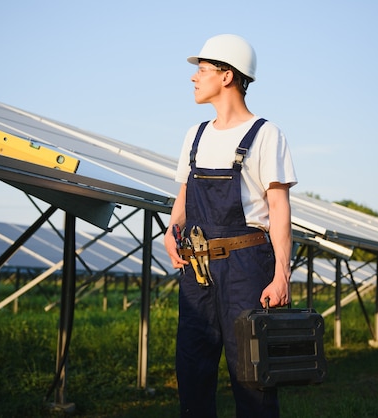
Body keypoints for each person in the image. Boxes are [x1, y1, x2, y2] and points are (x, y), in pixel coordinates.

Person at [164, 34, 298, 418]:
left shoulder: (266, 134)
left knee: (251, 374)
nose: (194, 78)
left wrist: (281, 275)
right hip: (197, 268)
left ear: (227, 76)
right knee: (191, 370)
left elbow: (279, 210)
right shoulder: (196, 134)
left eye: (202, 70)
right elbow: (184, 199)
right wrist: (172, 232)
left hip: (246, 265)